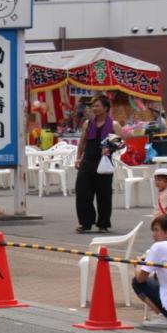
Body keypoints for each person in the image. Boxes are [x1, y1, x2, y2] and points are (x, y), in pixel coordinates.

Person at [74, 96, 119, 234]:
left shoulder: (114, 124)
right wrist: (78, 158)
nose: (94, 108)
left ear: (106, 108)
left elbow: (121, 142)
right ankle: (86, 222)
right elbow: (82, 142)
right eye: (93, 106)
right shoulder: (88, 123)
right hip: (87, 161)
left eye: (97, 106)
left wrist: (110, 148)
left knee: (103, 194)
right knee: (82, 192)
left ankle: (103, 224)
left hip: (104, 162)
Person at [133, 213, 167, 329]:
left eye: (156, 230)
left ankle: (163, 317)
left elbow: (141, 278)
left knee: (136, 282)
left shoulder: (158, 247)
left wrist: (138, 264)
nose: (153, 235)